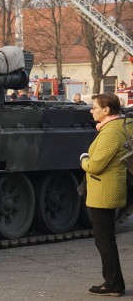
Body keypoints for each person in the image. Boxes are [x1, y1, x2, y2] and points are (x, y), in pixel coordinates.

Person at [80, 92, 128, 297]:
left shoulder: (110, 132)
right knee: (106, 238)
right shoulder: (119, 126)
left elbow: (96, 165)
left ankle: (113, 283)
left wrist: (83, 159)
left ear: (106, 110)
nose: (91, 110)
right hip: (108, 188)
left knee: (104, 239)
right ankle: (114, 281)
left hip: (104, 192)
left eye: (94, 107)